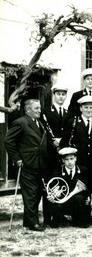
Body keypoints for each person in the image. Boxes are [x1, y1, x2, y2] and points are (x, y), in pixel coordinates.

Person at [5, 99, 49, 231]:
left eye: (39, 108)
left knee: (37, 193)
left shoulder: (39, 123)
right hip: (27, 163)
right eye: (36, 108)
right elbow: (8, 141)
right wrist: (17, 159)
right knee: (30, 194)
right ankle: (33, 223)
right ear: (28, 110)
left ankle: (28, 221)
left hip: (40, 163)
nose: (39, 111)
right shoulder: (21, 122)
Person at [47, 147, 91, 228]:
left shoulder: (83, 170)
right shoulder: (57, 172)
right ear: (63, 160)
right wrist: (52, 196)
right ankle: (59, 218)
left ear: (76, 159)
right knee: (55, 209)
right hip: (63, 202)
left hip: (78, 202)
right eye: (66, 159)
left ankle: (78, 219)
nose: (69, 162)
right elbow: (52, 188)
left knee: (80, 198)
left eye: (71, 159)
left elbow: (88, 188)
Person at [60, 95, 92, 169]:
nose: (89, 110)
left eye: (91, 107)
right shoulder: (73, 122)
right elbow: (65, 141)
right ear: (81, 108)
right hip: (78, 162)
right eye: (86, 107)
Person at [42, 84, 70, 171]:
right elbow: (44, 128)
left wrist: (61, 141)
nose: (61, 97)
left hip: (64, 147)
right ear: (53, 95)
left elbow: (69, 130)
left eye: (63, 94)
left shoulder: (69, 113)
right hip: (50, 148)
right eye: (58, 94)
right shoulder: (45, 111)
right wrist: (52, 141)